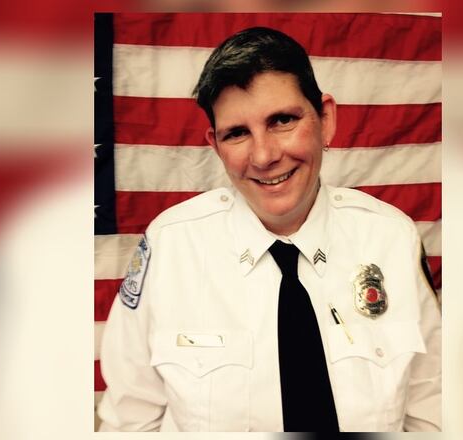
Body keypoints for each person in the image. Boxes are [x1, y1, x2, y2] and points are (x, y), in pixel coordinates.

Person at [97, 26, 441, 432]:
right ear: (215, 145)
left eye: (282, 120)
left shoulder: (391, 240)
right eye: (237, 133)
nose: (263, 156)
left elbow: (432, 412)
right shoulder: (171, 248)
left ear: (326, 119)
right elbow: (130, 423)